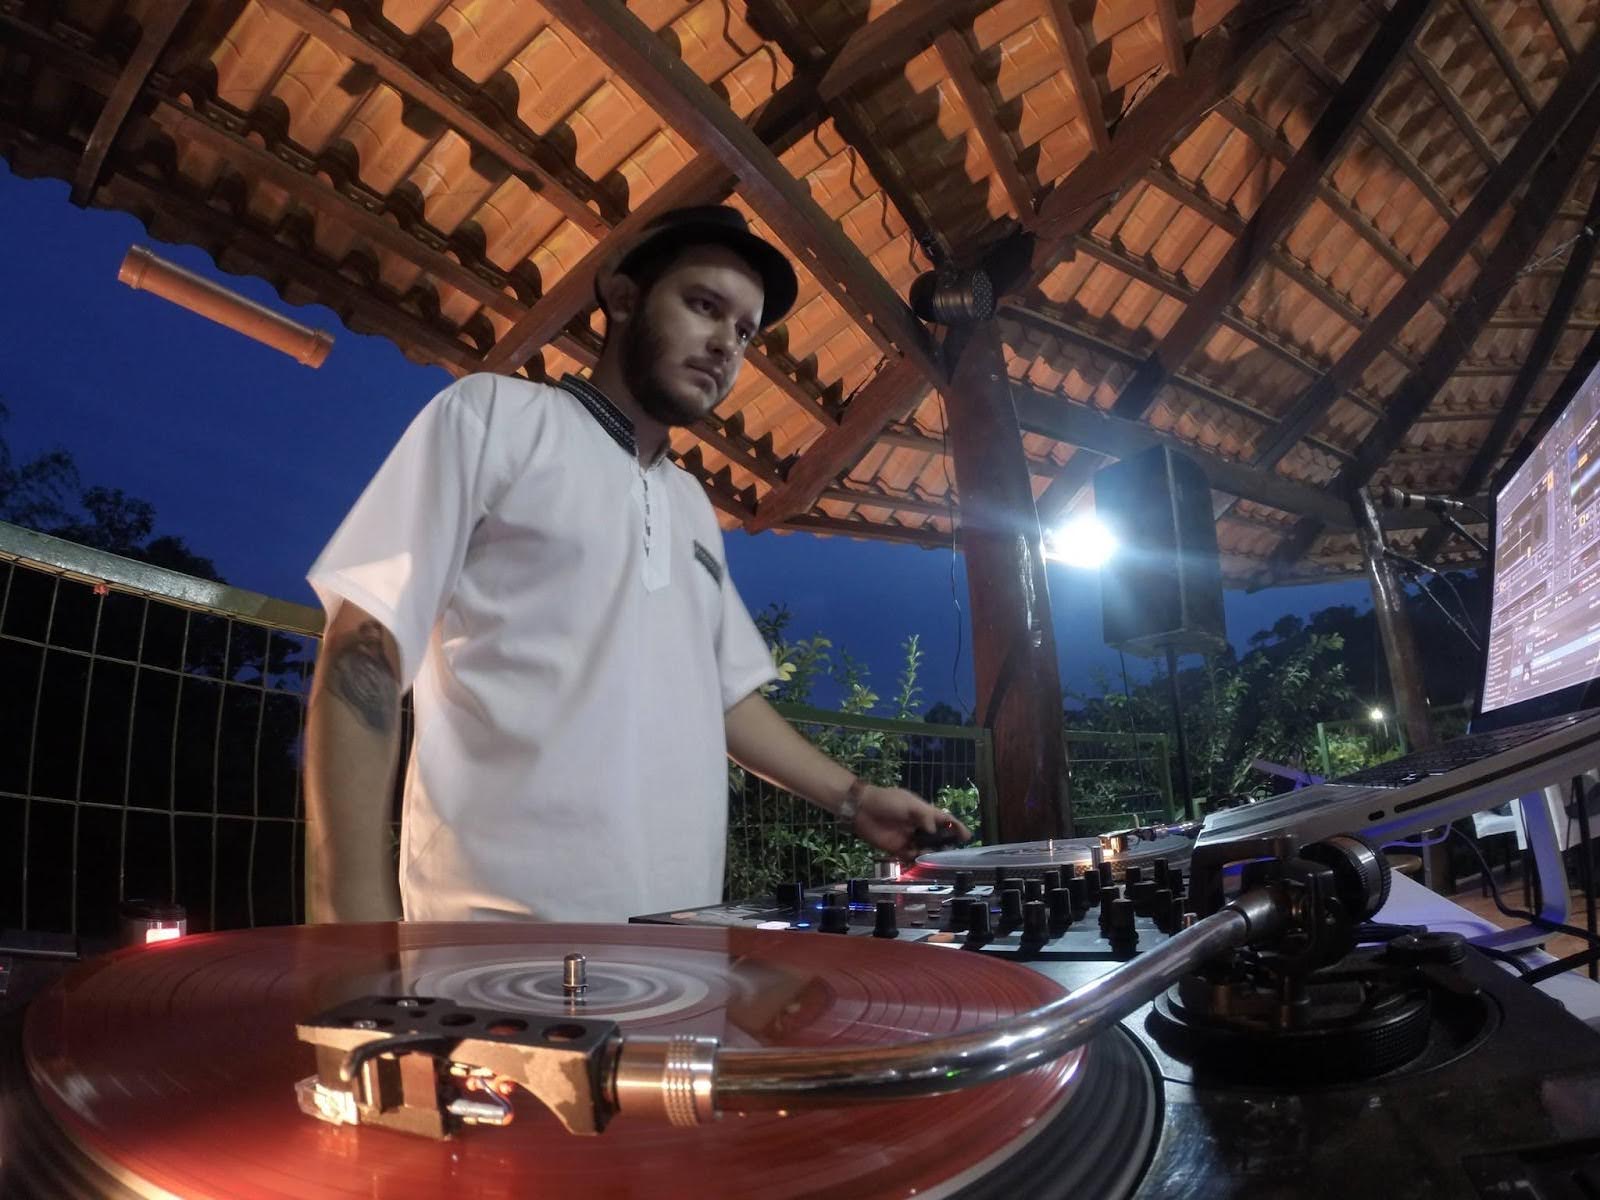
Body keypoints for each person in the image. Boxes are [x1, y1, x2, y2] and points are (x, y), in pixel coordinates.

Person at [303, 205, 966, 924]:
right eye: (704, 305)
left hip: (683, 934)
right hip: (495, 942)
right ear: (623, 297)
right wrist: (350, 922)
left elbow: (726, 700)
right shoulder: (492, 417)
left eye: (745, 331)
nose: (726, 344)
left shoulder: (691, 505)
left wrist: (856, 799)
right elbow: (365, 648)